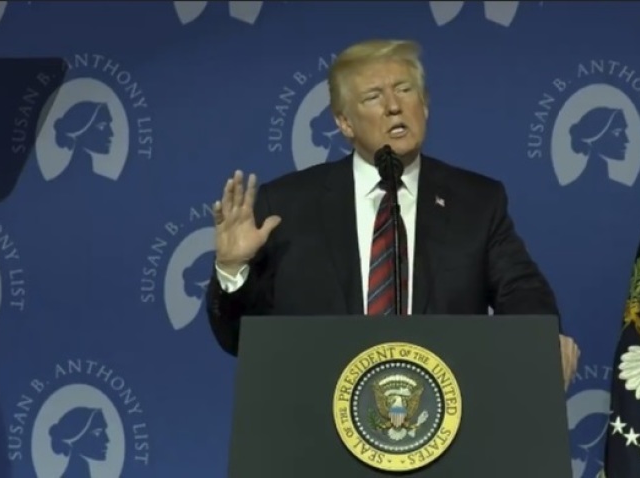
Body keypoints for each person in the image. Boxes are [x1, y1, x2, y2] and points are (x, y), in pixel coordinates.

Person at [206, 39, 580, 389]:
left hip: (445, 422)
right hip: (316, 424)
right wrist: (231, 270)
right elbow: (239, 338)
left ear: (425, 105)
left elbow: (521, 289)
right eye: (373, 96)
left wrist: (540, 340)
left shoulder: (477, 201)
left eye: (404, 90)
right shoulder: (286, 205)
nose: (394, 106)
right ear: (344, 123)